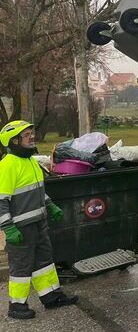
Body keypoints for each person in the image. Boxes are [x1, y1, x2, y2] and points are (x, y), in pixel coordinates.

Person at [0, 120, 78, 320]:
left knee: (44, 261)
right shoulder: (7, 165)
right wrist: (8, 228)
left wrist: (50, 205)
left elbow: (37, 191)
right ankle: (16, 306)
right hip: (20, 228)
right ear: (14, 141)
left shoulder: (30, 162)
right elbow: (1, 200)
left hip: (38, 222)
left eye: (30, 133)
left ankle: (51, 296)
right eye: (26, 135)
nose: (32, 137)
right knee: (21, 267)